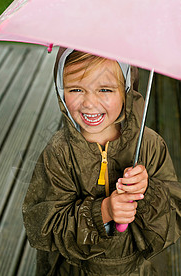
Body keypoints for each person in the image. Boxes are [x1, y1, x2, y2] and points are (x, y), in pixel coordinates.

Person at [22, 48, 181, 275]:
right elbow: (43, 228)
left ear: (125, 90)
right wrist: (103, 211)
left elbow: (173, 218)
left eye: (104, 89)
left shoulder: (149, 146)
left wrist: (147, 192)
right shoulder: (58, 153)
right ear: (61, 89)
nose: (89, 103)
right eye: (76, 89)